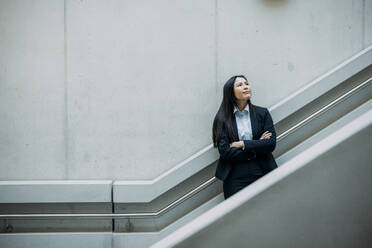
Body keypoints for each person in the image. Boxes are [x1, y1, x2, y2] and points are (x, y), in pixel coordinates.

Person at [212, 75, 278, 199]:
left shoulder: (262, 113)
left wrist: (242, 144)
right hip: (234, 175)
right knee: (237, 215)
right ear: (230, 92)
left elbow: (270, 144)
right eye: (239, 85)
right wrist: (257, 145)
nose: (245, 87)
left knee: (267, 211)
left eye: (246, 83)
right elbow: (225, 151)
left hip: (262, 169)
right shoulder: (222, 119)